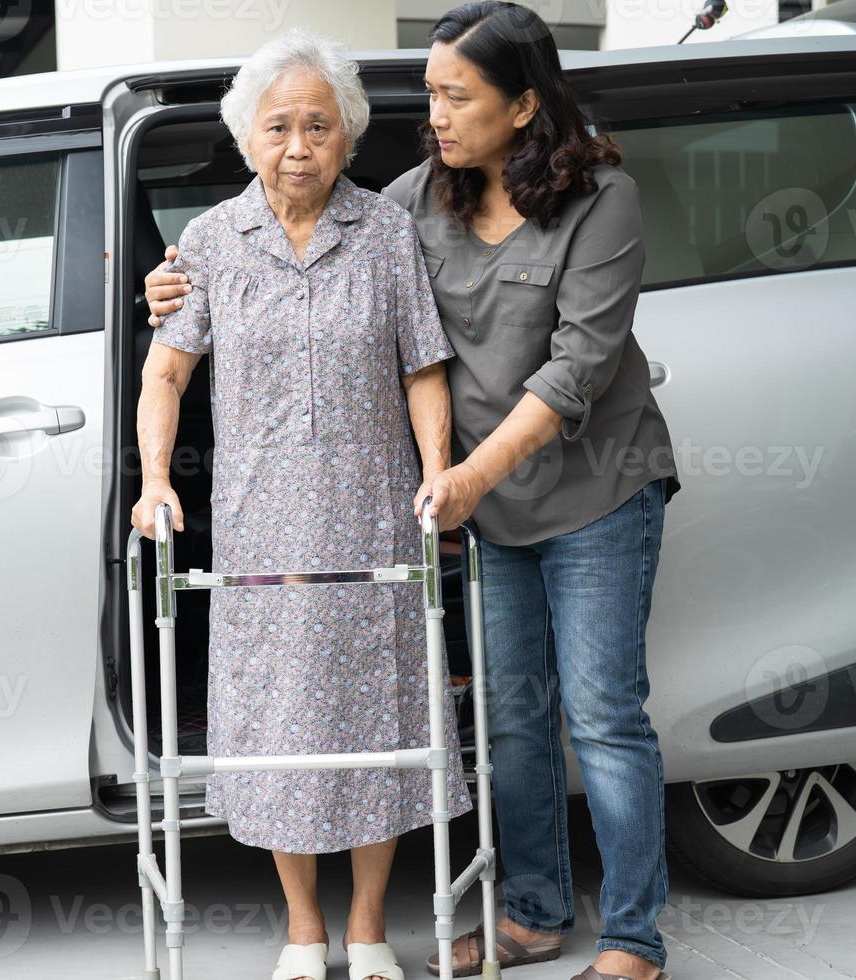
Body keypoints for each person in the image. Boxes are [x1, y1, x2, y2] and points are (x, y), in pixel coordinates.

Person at [145, 5, 681, 979]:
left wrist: (457, 474)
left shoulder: (601, 199)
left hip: (593, 489)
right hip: (490, 503)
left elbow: (577, 369)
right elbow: (307, 226)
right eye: (429, 92)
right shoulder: (414, 202)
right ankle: (531, 912)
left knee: (602, 709)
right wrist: (170, 286)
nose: (431, 112)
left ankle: (634, 936)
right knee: (511, 713)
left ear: (523, 106)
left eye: (453, 95)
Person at [130, 27, 474, 980]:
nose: (297, 146)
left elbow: (424, 367)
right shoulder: (209, 241)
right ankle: (303, 931)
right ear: (247, 139)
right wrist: (157, 480)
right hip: (261, 527)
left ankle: (367, 929)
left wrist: (436, 475)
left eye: (317, 126)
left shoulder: (385, 232)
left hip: (372, 515)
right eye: (278, 126)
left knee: (376, 728)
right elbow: (165, 373)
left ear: (348, 137)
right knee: (283, 730)